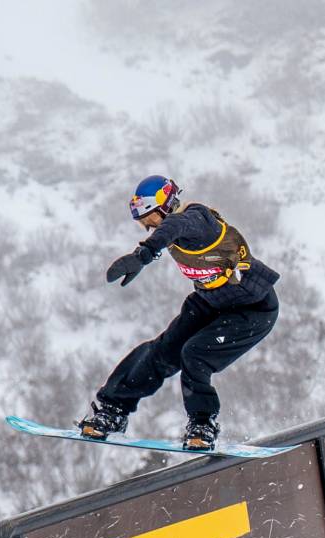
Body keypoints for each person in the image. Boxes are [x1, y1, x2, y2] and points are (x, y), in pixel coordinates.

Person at [78, 175, 281, 450]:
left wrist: (144, 253)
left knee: (194, 354)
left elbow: (176, 225)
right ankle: (113, 410)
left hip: (253, 308)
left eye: (150, 220)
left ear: (167, 205)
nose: (148, 228)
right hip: (211, 301)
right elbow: (169, 231)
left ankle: (203, 423)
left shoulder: (197, 218)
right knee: (162, 352)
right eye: (143, 224)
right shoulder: (172, 230)